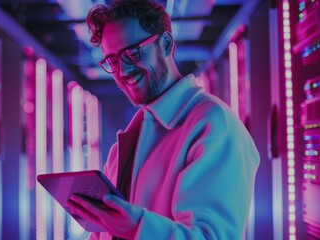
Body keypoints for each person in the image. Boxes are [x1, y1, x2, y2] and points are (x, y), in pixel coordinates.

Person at [67, 0, 260, 239]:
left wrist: (136, 227)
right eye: (113, 61)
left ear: (166, 43)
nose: (123, 71)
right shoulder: (124, 147)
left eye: (131, 52)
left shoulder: (214, 125)